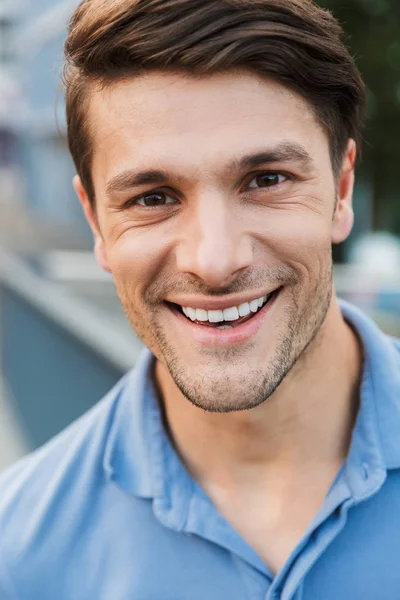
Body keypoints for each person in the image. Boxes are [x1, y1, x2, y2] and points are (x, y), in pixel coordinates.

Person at [1, 0, 399, 598]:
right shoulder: (18, 555)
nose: (214, 261)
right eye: (153, 197)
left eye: (266, 180)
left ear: (341, 191)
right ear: (96, 223)